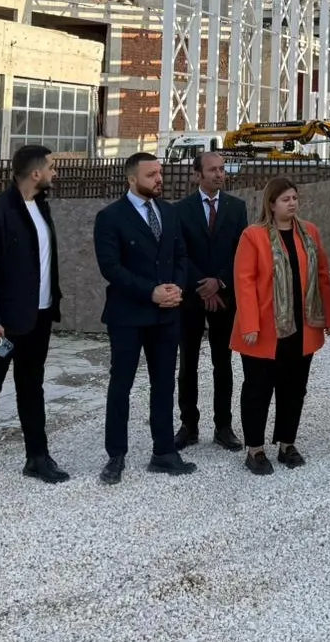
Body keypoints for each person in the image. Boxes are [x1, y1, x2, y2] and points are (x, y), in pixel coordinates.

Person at [0, 145, 68, 498]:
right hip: (3, 326)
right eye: (51, 167)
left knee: (31, 388)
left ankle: (37, 457)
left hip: (39, 318)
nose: (55, 172)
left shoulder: (42, 207)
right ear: (36, 173)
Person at [93, 152, 195, 484]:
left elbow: (181, 255)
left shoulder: (168, 212)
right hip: (128, 315)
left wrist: (177, 287)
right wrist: (150, 292)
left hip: (167, 315)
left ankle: (163, 452)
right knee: (121, 385)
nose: (159, 179)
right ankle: (116, 455)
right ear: (132, 178)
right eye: (151, 175)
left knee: (164, 383)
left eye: (160, 173)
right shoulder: (110, 217)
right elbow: (111, 267)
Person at [232, 177, 330, 475]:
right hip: (264, 329)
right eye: (285, 199)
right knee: (258, 389)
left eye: (294, 198)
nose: (292, 203)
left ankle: (287, 443)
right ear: (271, 203)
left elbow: (323, 275)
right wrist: (249, 324)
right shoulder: (253, 236)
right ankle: (255, 449)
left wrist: (328, 317)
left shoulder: (309, 232)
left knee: (294, 389)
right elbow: (244, 282)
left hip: (302, 327)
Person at [173, 151, 248, 452]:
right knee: (187, 362)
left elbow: (240, 252)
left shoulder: (236, 207)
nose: (219, 174)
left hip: (225, 297)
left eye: (222, 169)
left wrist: (219, 282)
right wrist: (202, 286)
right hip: (191, 299)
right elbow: (179, 253)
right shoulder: (180, 210)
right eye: (213, 169)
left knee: (223, 363)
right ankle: (188, 426)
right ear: (197, 175)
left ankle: (223, 427)